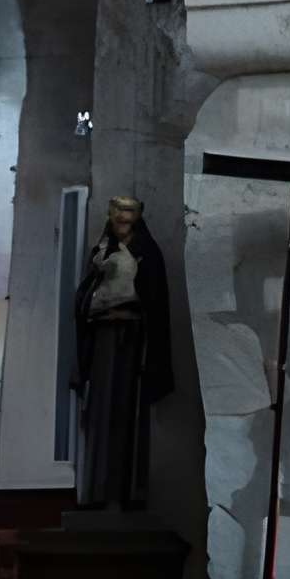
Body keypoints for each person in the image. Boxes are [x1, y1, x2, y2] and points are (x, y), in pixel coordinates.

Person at [69, 193, 173, 508]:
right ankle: (96, 489)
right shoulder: (100, 251)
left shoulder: (147, 254)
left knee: (127, 414)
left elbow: (153, 300)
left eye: (128, 221)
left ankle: (124, 491)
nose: (121, 226)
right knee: (100, 411)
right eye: (117, 219)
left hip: (131, 344)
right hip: (102, 340)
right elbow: (86, 292)